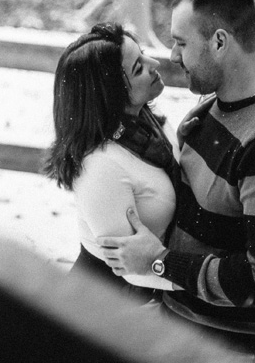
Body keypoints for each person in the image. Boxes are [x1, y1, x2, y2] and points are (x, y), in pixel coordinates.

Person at [98, 0, 255, 362]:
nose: (172, 56)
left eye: (181, 43)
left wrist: (160, 262)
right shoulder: (206, 113)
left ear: (219, 42)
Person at [45, 22, 181, 305]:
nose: (155, 64)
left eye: (143, 54)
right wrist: (215, 286)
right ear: (112, 95)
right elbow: (133, 269)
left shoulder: (148, 124)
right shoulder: (100, 166)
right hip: (99, 311)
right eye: (138, 68)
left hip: (150, 299)